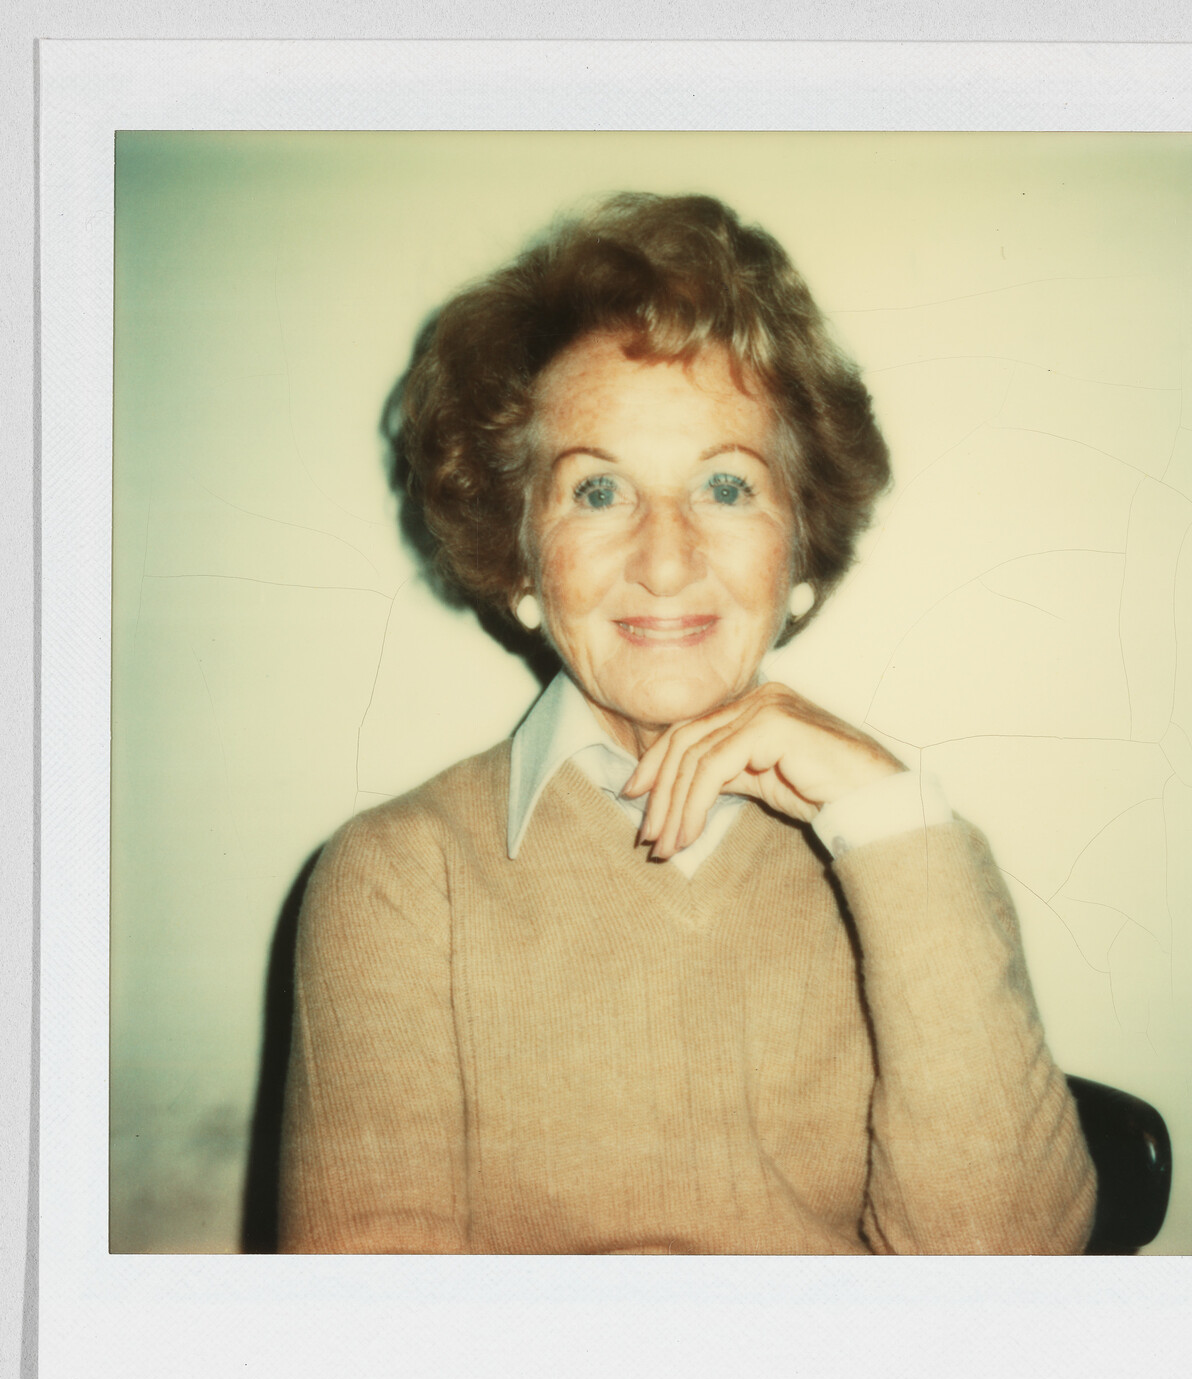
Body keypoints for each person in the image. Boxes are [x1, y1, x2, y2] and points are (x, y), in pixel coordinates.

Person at [277, 193, 1096, 1255]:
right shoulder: (399, 879)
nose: (665, 561)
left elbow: (1008, 1280)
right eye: (597, 492)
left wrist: (886, 818)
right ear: (520, 560)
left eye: (724, 485)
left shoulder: (907, 857)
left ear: (800, 548)